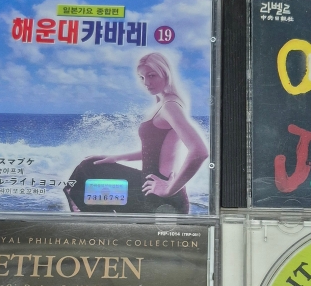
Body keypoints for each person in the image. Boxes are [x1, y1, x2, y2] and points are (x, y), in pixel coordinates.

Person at [64, 52, 208, 214]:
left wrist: (169, 190)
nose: (146, 82)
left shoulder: (170, 106)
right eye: (142, 77)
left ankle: (95, 222)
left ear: (165, 73)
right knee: (91, 167)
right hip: (146, 187)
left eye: (151, 75)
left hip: (159, 197)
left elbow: (200, 152)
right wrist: (116, 157)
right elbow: (154, 152)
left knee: (84, 175)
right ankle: (97, 221)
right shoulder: (162, 103)